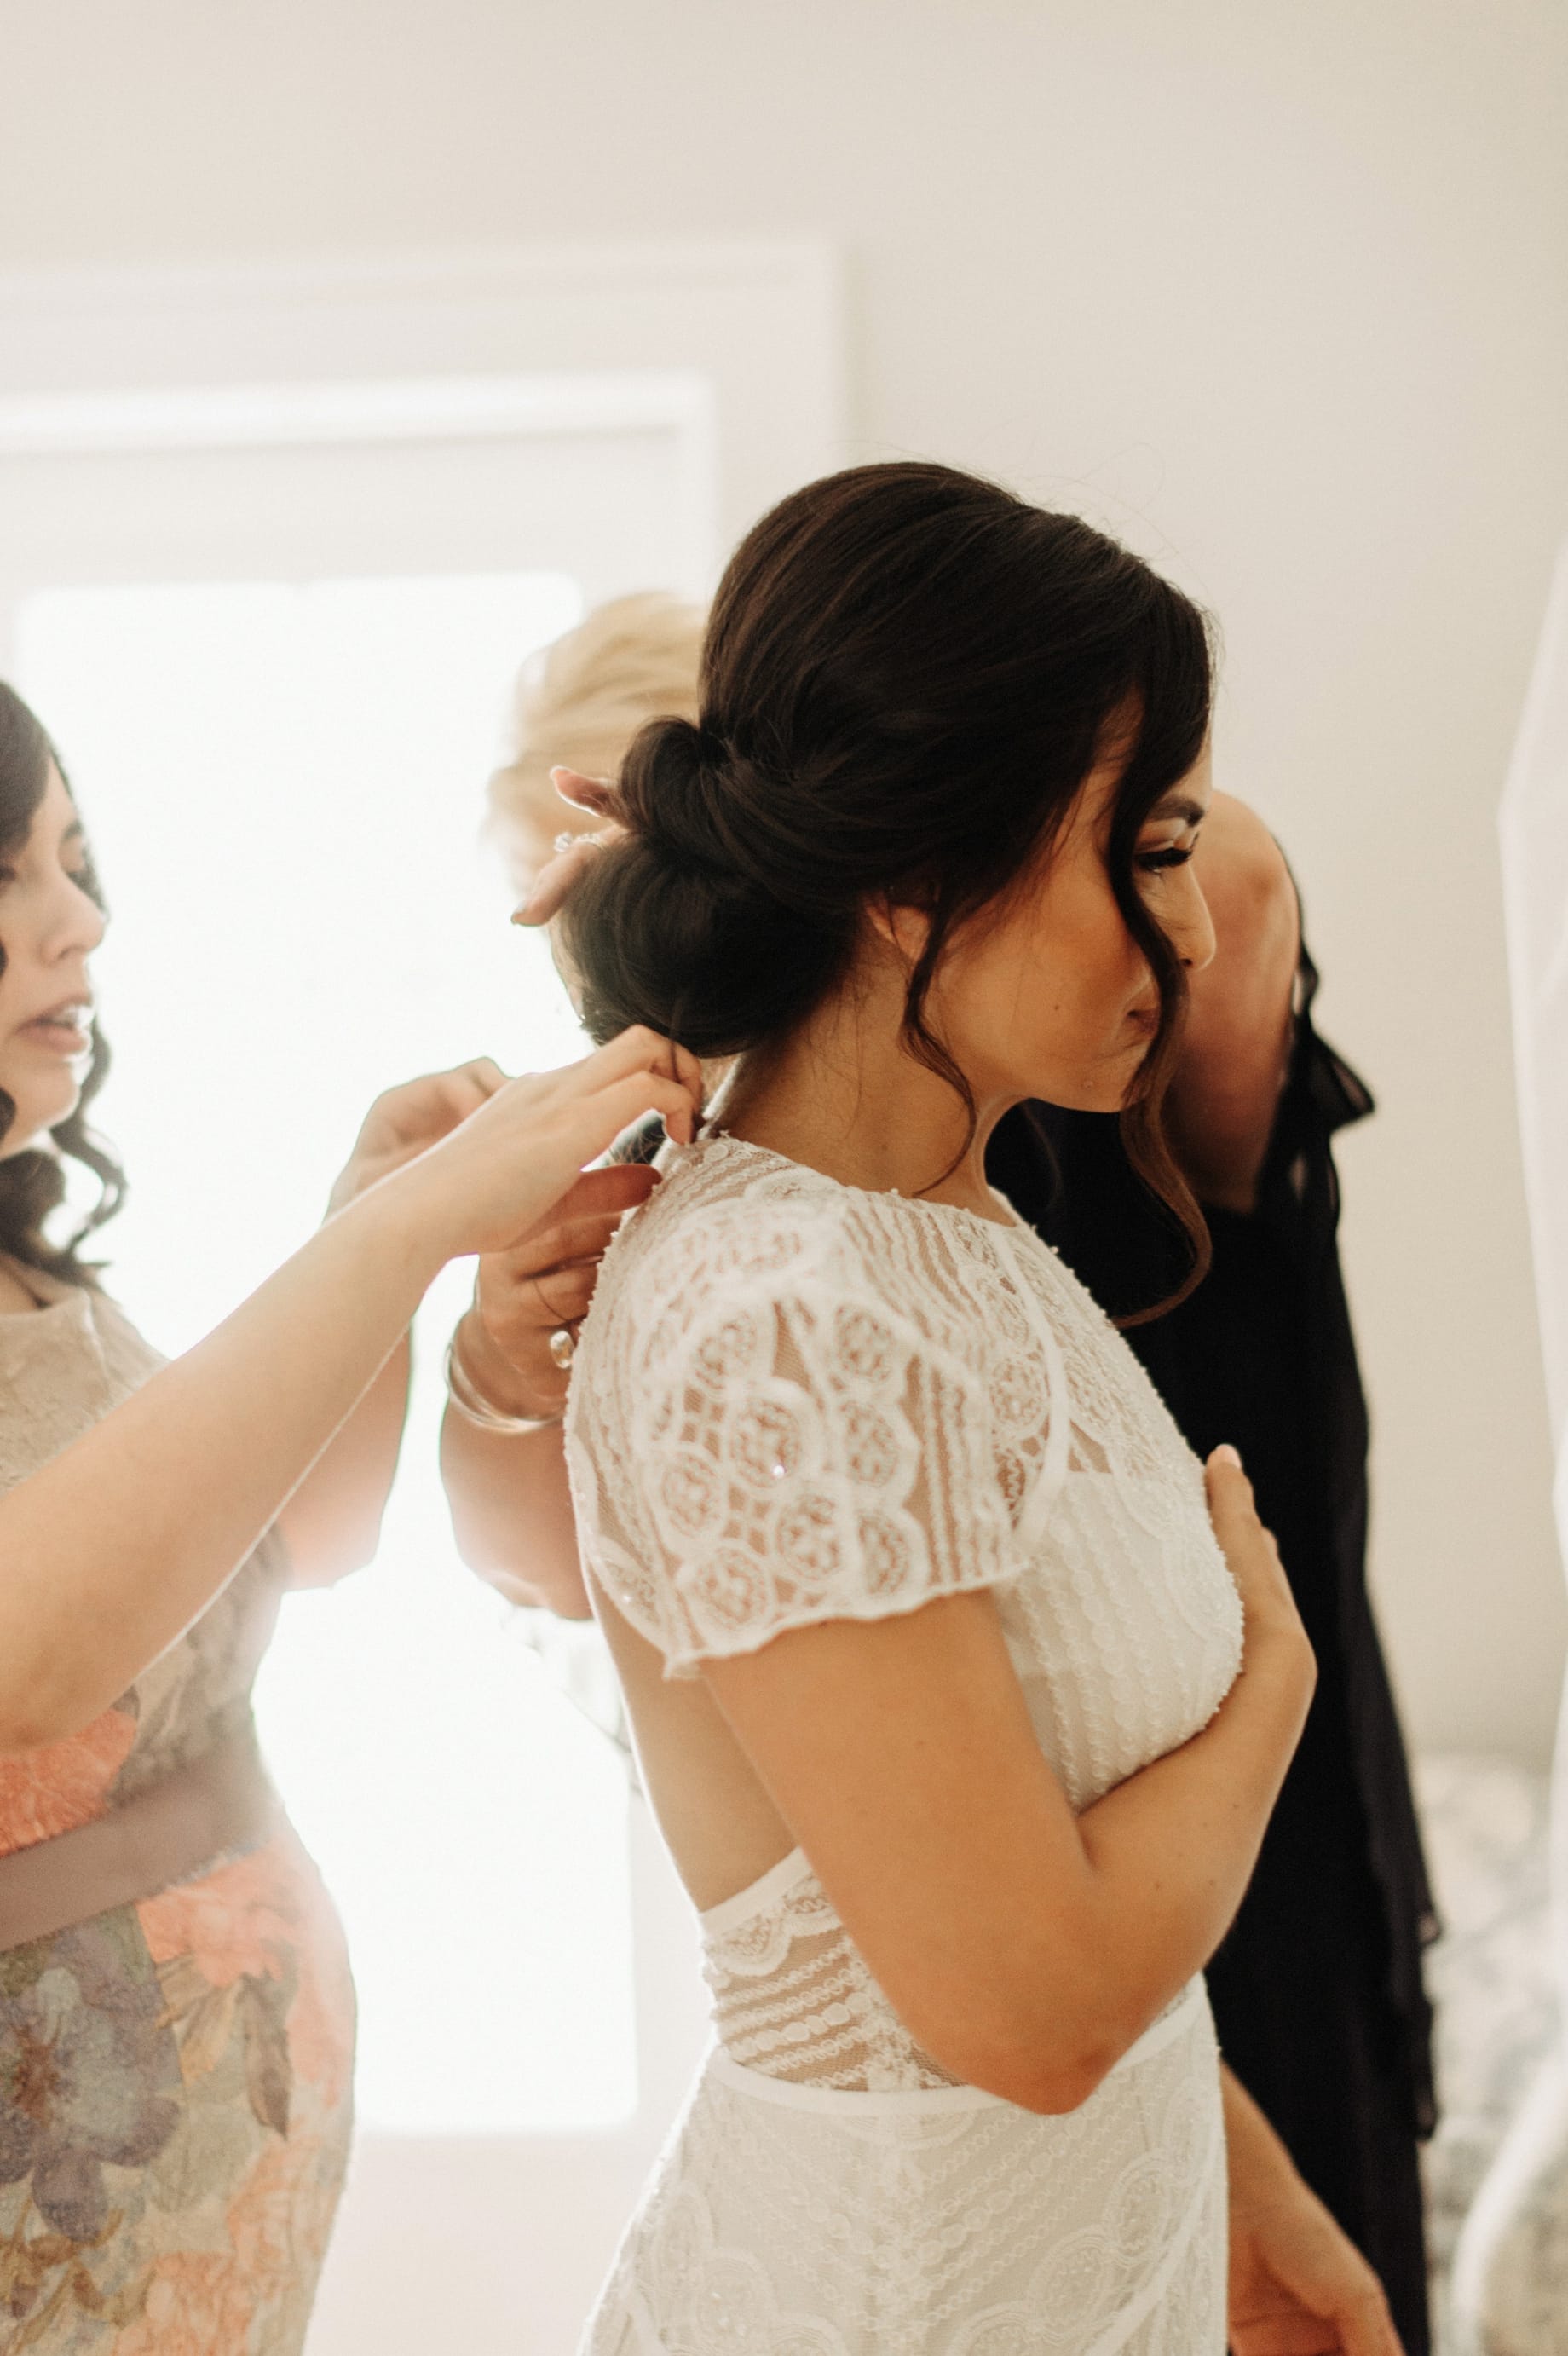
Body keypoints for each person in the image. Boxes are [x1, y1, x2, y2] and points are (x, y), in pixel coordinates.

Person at [446, 464, 1402, 2353]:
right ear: (903, 885)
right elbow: (1023, 2009)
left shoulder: (942, 1218)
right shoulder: (773, 1312)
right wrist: (1270, 1688)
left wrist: (1252, 2204)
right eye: (1138, 846)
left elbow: (1004, 1814)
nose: (1191, 926)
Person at [0, 681, 700, 2353]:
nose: (82, 918)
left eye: (79, 861)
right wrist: (384, 1245)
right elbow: (27, 1659)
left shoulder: (29, 1260)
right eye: (12, 876)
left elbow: (298, 1548)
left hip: (208, 2200)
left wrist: (369, 1234)